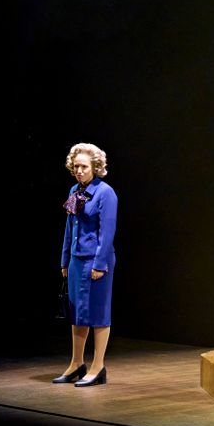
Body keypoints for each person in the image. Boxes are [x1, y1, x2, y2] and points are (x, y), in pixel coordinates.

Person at [54, 142, 117, 387]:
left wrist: (99, 264)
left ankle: (98, 367)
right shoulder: (75, 190)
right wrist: (65, 259)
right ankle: (76, 363)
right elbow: (69, 228)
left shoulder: (105, 193)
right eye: (76, 167)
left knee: (98, 312)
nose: (79, 171)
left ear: (95, 167)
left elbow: (107, 232)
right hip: (76, 260)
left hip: (96, 262)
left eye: (84, 167)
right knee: (77, 312)